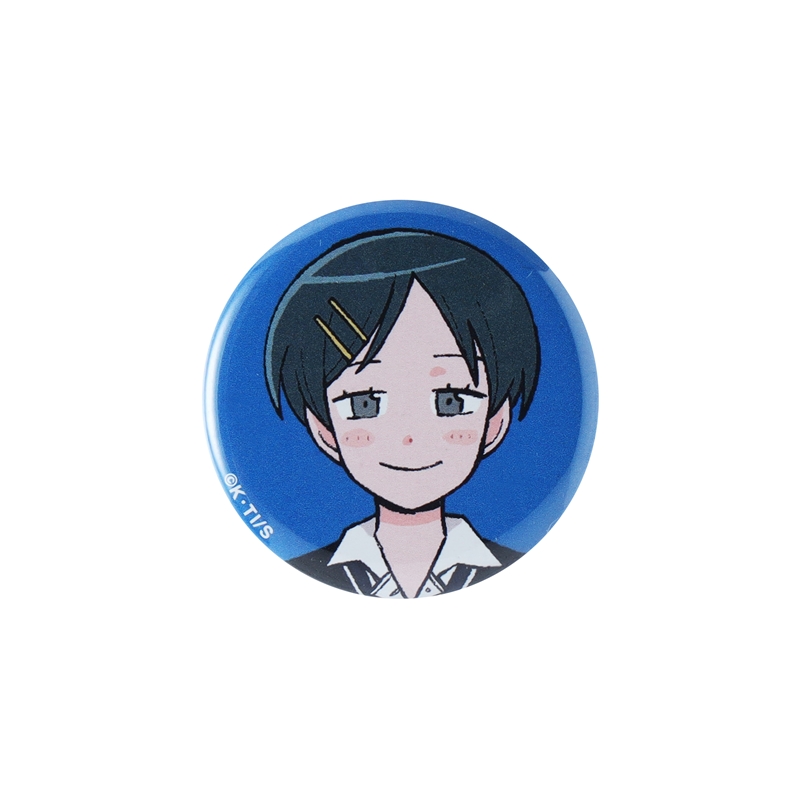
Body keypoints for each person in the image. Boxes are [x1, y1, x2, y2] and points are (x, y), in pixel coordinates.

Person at [265, 229, 540, 598]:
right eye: (364, 404)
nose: (410, 436)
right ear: (324, 430)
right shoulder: (310, 566)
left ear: (495, 423)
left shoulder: (512, 567)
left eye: (452, 402)